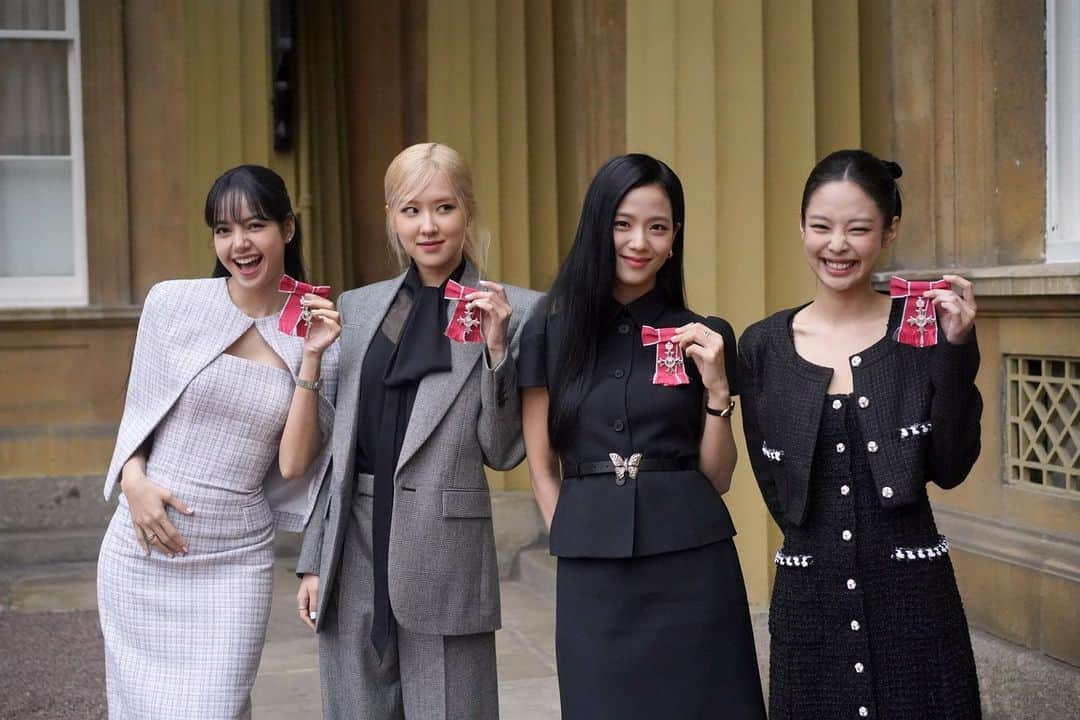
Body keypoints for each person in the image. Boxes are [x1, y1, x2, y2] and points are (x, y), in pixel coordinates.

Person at [295, 142, 541, 720]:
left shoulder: (520, 311)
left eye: (444, 208)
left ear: (468, 211)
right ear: (391, 218)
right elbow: (336, 451)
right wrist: (313, 558)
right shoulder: (356, 309)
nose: (427, 226)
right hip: (351, 544)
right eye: (411, 210)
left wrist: (497, 350)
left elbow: (502, 451)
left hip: (445, 551)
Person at [518, 153, 767, 719]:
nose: (639, 242)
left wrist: (717, 392)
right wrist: (570, 527)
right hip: (592, 566)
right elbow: (539, 462)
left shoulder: (704, 334)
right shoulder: (550, 329)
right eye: (623, 224)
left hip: (693, 560)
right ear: (598, 227)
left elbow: (719, 477)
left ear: (675, 237)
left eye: (658, 227)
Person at [739, 149, 983, 719]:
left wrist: (957, 350)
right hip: (810, 600)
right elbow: (774, 486)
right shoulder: (764, 346)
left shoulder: (924, 331)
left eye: (858, 229)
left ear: (890, 230)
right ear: (801, 227)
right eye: (821, 227)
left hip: (913, 599)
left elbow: (950, 466)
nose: (837, 245)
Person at [97, 165, 340, 719]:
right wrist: (133, 483)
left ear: (288, 228)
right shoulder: (172, 304)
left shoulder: (321, 331)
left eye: (254, 226)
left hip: (236, 559)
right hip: (142, 550)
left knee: (217, 707)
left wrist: (311, 358)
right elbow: (140, 413)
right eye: (223, 230)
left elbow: (296, 462)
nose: (239, 244)